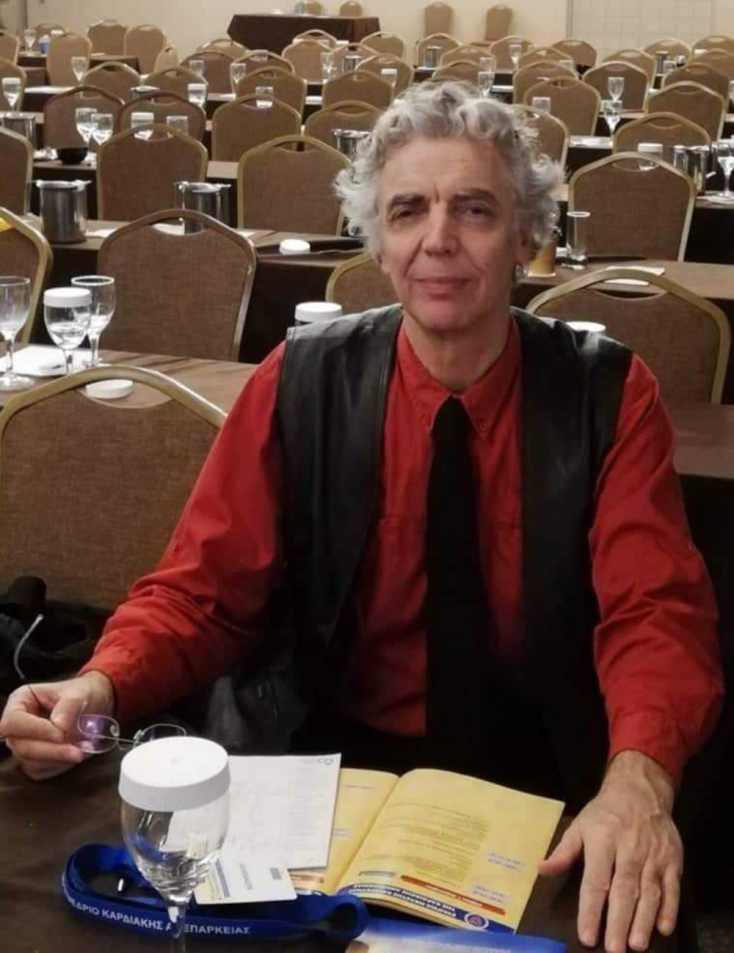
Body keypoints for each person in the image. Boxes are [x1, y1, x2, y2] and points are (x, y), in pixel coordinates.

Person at [0, 83, 723, 953]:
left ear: (528, 237)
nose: (438, 239)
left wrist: (638, 782)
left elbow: (656, 614)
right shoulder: (297, 378)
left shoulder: (609, 395)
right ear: (378, 243)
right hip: (321, 769)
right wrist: (99, 684)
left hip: (544, 774)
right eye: (408, 210)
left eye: (475, 209)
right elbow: (200, 593)